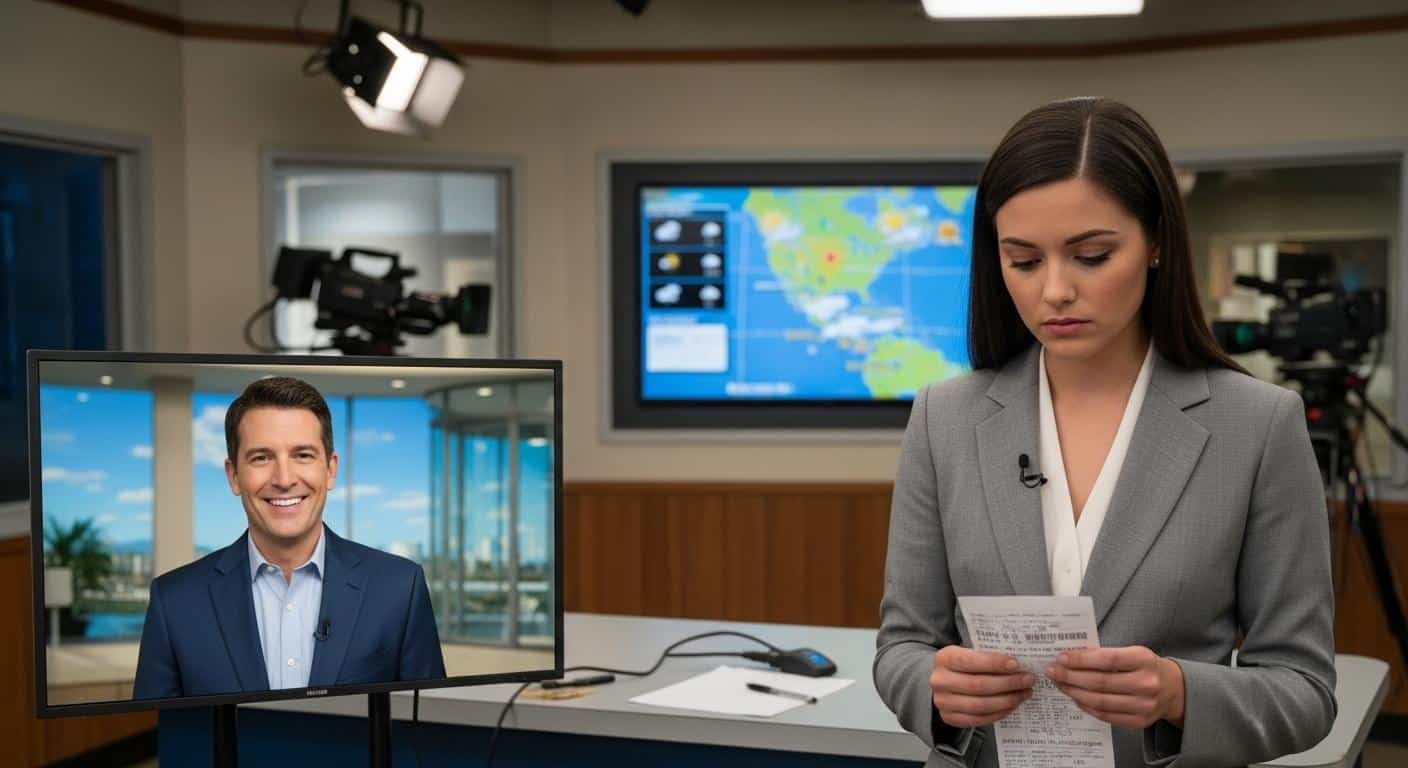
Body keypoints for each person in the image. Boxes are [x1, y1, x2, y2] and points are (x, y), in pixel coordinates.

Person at [873, 98, 1335, 767]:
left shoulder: (1258, 425)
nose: (1054, 290)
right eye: (1024, 261)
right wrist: (936, 688)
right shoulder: (944, 418)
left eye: (1090, 255)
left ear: (1155, 244)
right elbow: (902, 649)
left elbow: (1306, 690)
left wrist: (1179, 694)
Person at [134, 376, 445, 699]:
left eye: (303, 455)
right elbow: (161, 739)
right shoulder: (175, 602)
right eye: (261, 457)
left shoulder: (399, 588)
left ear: (330, 470)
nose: (284, 479)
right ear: (233, 475)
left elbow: (428, 733)